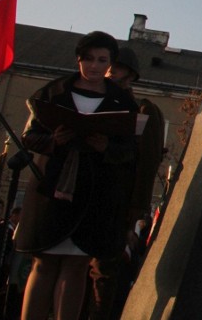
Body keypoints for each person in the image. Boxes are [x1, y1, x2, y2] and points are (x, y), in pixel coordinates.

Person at [15, 31, 138, 320]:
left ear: (110, 63)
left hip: (94, 193)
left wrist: (106, 146)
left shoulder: (123, 102)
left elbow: (131, 150)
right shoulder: (52, 92)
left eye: (102, 60)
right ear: (79, 59)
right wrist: (53, 141)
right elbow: (29, 136)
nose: (94, 66)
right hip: (52, 188)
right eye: (89, 59)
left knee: (75, 266)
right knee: (43, 264)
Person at [85, 47, 165, 319]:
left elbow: (146, 163)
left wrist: (137, 208)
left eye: (115, 68)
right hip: (82, 197)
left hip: (115, 203)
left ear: (130, 75)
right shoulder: (87, 103)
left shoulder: (143, 110)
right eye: (106, 66)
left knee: (103, 273)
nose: (108, 72)